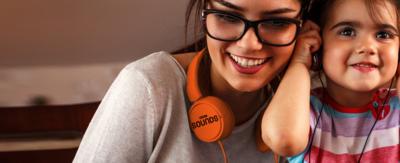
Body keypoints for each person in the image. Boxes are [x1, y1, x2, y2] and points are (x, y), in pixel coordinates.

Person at [73, 0, 311, 162]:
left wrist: (301, 64)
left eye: (277, 23)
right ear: (203, 15)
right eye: (227, 16)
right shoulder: (148, 85)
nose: (249, 44)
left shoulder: (312, 102)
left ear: (305, 28)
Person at [261, 0, 400, 162]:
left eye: (383, 35)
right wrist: (299, 62)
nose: (368, 46)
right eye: (347, 32)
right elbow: (282, 139)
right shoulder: (303, 111)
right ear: (318, 43)